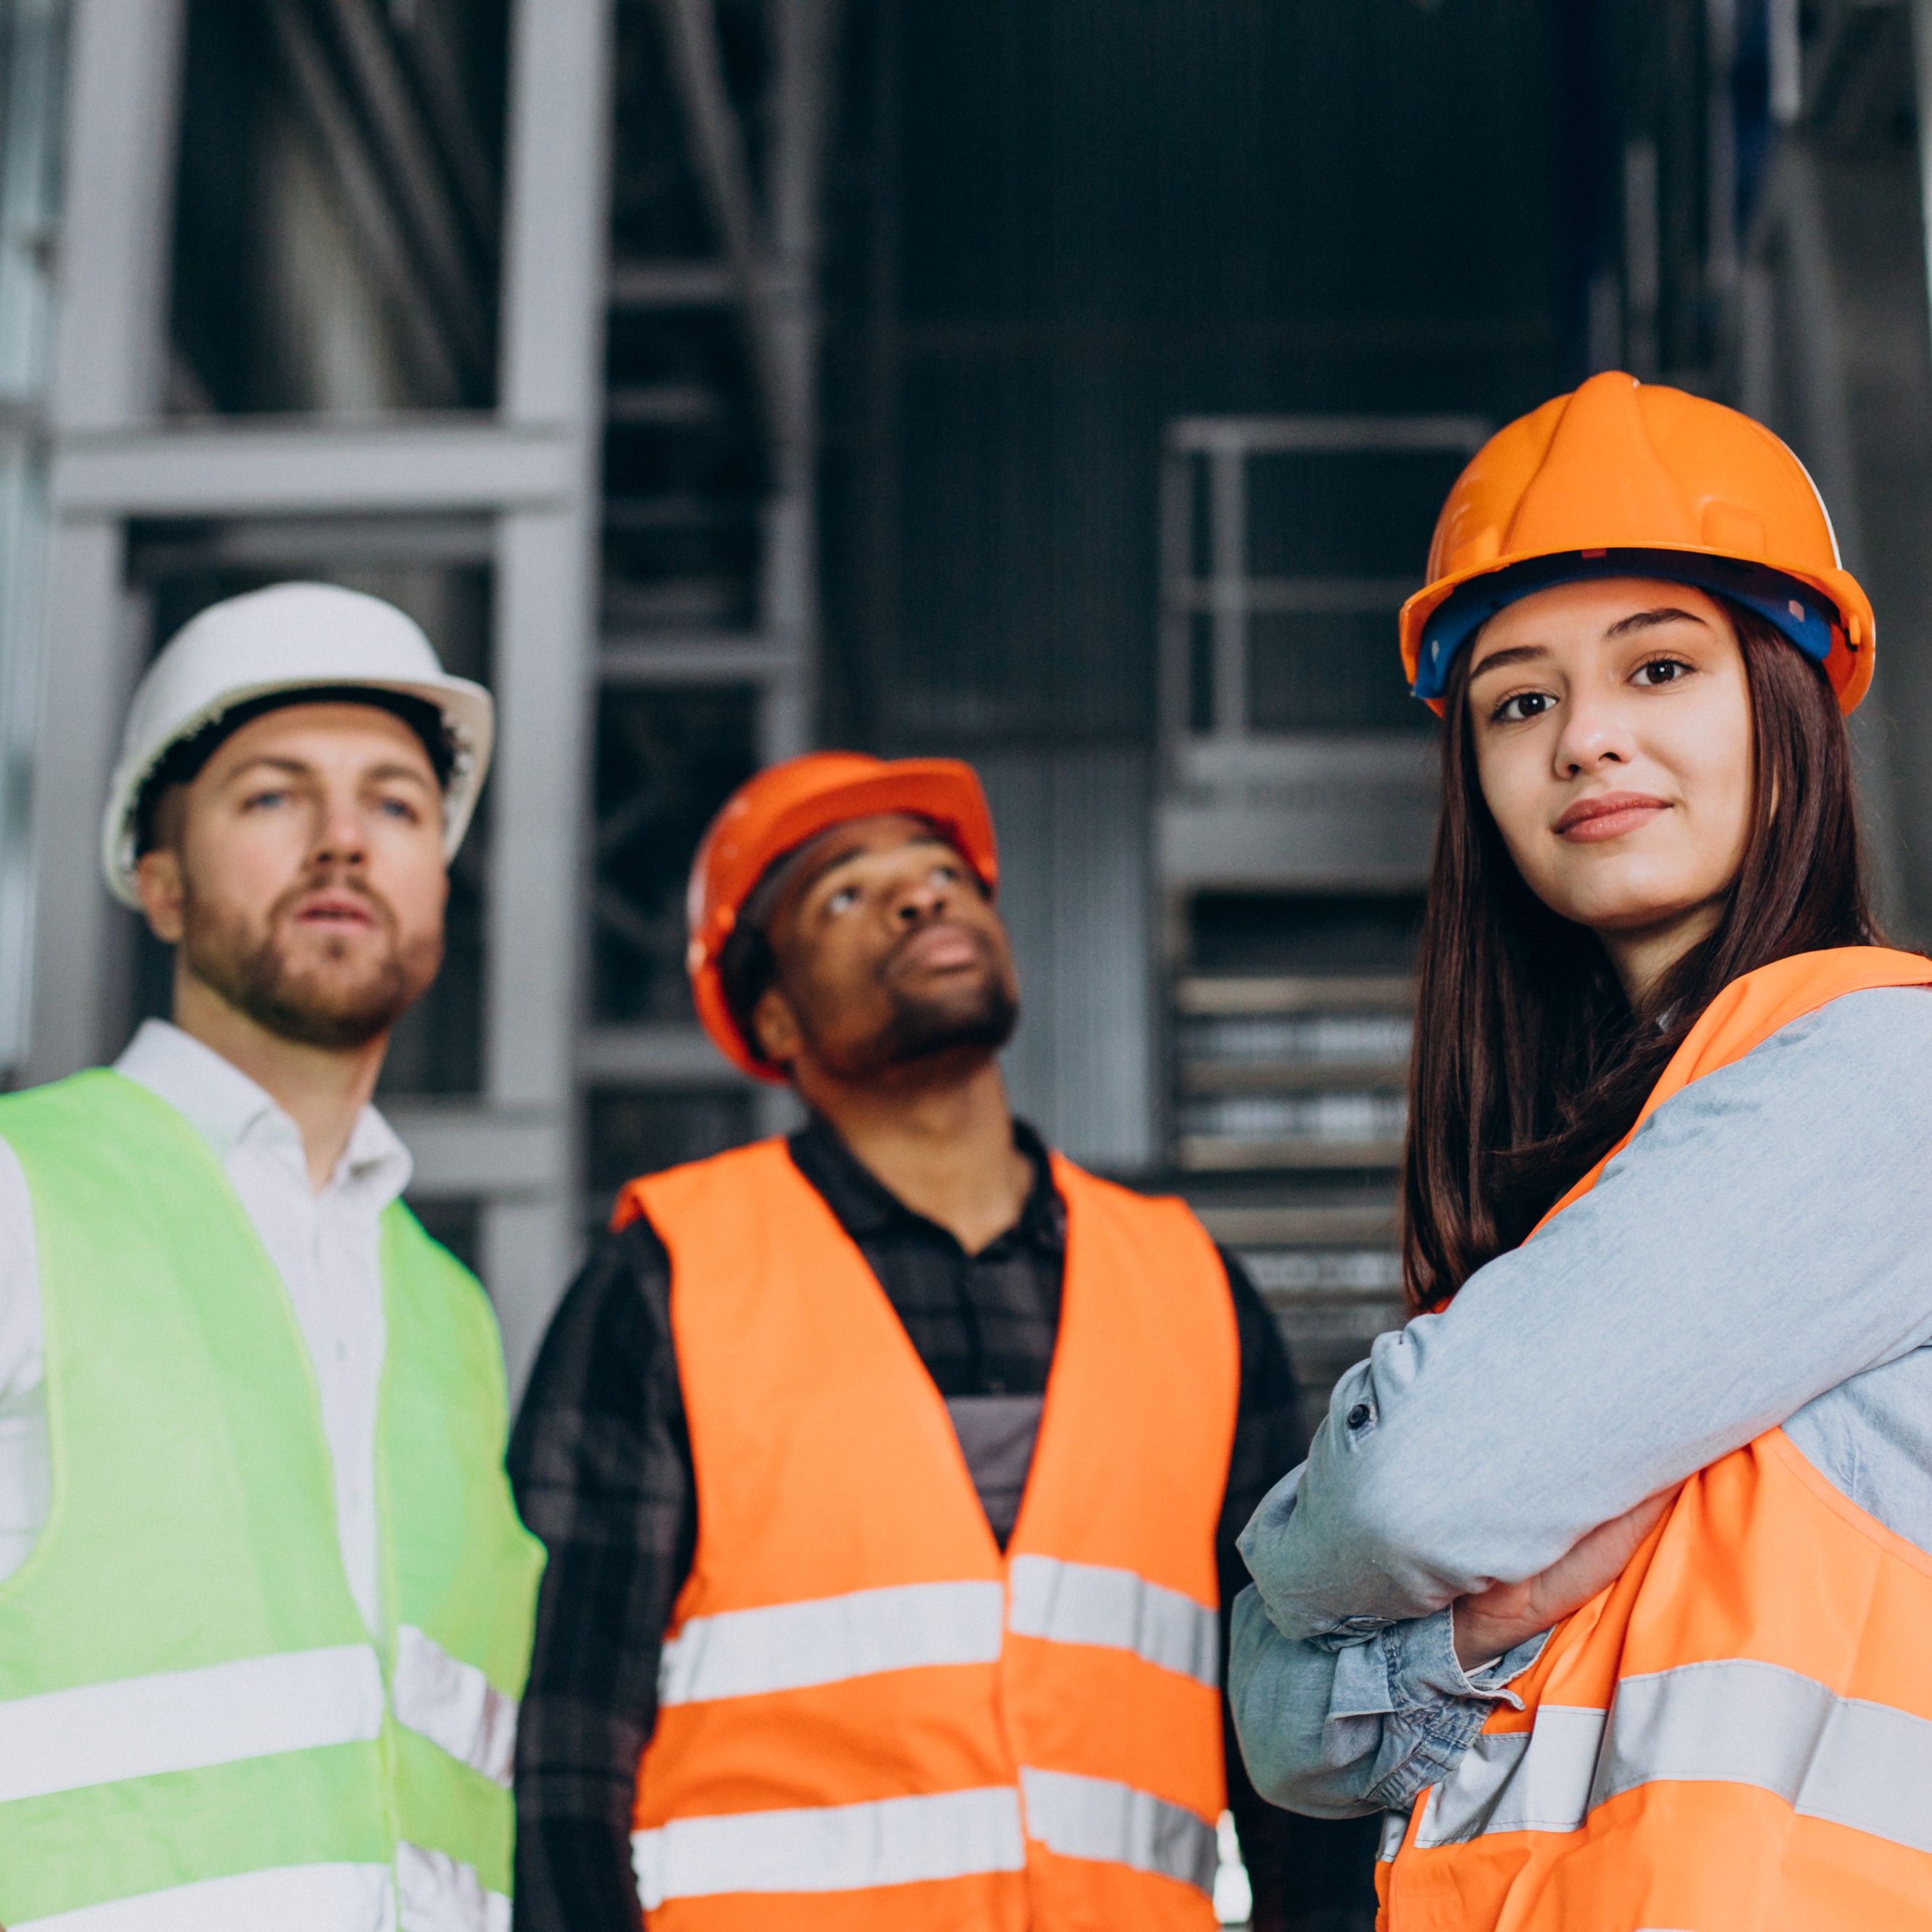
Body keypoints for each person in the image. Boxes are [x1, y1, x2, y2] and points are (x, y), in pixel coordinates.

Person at [1228, 371, 1932, 1930]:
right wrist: (1464, 1603)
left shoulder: (1886, 1074)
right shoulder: (1594, 1176)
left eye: (1659, 665)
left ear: (1788, 695)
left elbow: (1413, 1481)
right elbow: (1281, 1734)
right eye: (1519, 700)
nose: (1583, 740)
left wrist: (1296, 1557)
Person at [511, 751, 1379, 1929]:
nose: (921, 897)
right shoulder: (666, 1278)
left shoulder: (1190, 1287)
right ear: (771, 1015)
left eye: (940, 873)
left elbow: (1294, 1729)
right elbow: (564, 1741)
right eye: (846, 893)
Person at [0, 582, 544, 1930]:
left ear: (437, 885)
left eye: (397, 806)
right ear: (160, 880)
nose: (346, 843)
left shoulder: (449, 1313)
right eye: (273, 797)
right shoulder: (26, 1187)